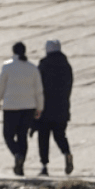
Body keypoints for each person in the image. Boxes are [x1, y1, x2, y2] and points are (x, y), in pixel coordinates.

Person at [0, 42, 44, 176]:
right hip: (28, 107)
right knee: (22, 136)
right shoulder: (32, 68)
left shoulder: (7, 67)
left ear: (13, 51)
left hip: (11, 107)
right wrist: (40, 107)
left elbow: (0, 88)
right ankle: (20, 163)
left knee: (8, 135)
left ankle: (17, 154)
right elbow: (39, 90)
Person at [34, 40, 74, 176]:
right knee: (60, 135)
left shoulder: (43, 65)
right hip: (62, 107)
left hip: (45, 108)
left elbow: (37, 87)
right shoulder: (66, 66)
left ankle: (44, 166)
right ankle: (66, 152)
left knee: (43, 138)